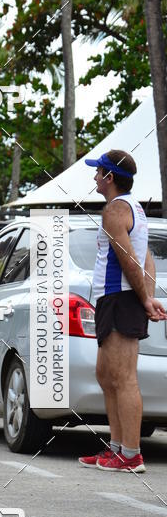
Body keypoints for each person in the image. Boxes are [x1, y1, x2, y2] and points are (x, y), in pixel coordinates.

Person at [78, 150, 167, 472]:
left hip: (120, 298)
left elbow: (130, 260)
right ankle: (115, 448)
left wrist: (144, 299)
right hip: (115, 298)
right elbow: (146, 258)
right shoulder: (134, 209)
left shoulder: (115, 210)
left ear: (110, 177)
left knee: (124, 378)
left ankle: (131, 454)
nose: (94, 178)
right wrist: (149, 295)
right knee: (105, 374)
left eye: (98, 172)